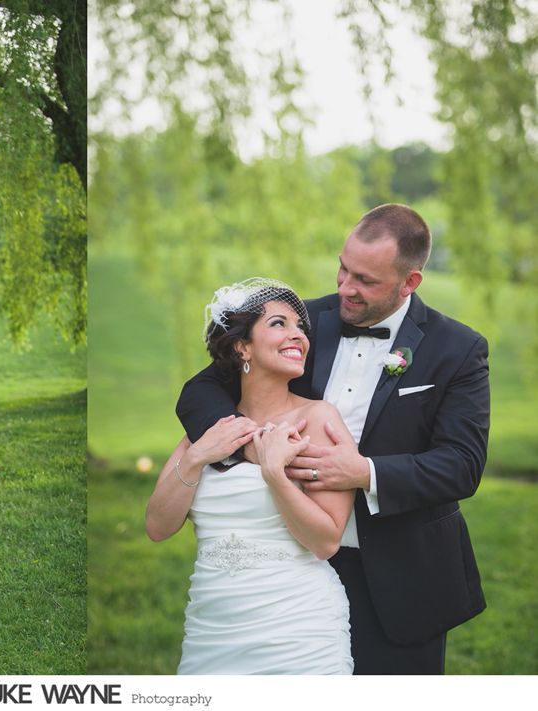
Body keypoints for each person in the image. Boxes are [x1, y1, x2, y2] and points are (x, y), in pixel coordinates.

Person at [176, 204, 489, 674]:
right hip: (292, 567)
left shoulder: (458, 348)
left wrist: (364, 472)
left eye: (365, 280)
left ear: (410, 283)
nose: (345, 287)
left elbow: (462, 463)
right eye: (343, 268)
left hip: (404, 577)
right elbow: (199, 391)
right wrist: (253, 447)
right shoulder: (300, 325)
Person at [147, 278, 355, 675]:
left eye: (300, 327)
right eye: (279, 324)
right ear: (242, 346)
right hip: (213, 627)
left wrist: (275, 474)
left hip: (298, 626)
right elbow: (157, 526)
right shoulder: (208, 428)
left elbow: (326, 541)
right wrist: (196, 457)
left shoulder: (317, 419)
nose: (298, 335)